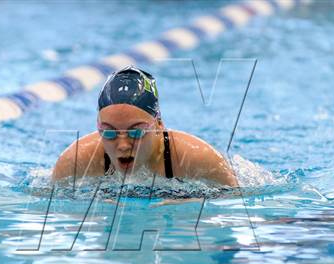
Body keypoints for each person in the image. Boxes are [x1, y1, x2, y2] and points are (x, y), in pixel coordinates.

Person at [52, 66, 237, 187]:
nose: (123, 145)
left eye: (136, 132)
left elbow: (236, 204)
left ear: (158, 124)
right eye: (109, 133)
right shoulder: (76, 161)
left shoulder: (197, 158)